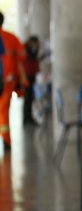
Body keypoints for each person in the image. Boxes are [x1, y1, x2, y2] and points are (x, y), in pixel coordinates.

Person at [0, 12, 28, 152]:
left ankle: (6, 139)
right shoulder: (11, 38)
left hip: (5, 80)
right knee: (4, 110)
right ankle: (5, 139)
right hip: (8, 80)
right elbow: (22, 56)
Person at [22, 36, 41, 125]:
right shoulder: (25, 48)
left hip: (31, 75)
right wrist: (37, 48)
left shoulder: (28, 48)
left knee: (30, 98)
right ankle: (27, 119)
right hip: (27, 76)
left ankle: (29, 117)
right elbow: (31, 58)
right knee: (28, 98)